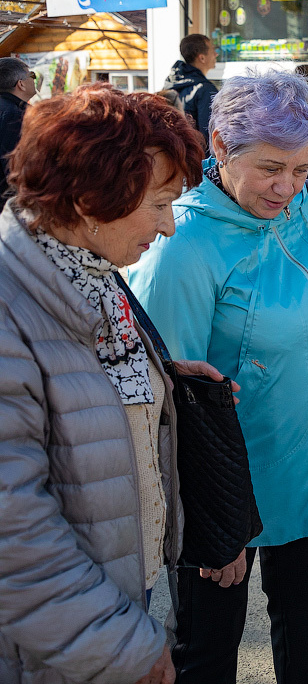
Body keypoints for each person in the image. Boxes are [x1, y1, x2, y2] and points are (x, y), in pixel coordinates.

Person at [128, 71, 308, 684]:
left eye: (303, 169)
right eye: (271, 168)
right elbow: (164, 400)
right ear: (220, 147)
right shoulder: (183, 246)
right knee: (207, 650)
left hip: (306, 468)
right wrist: (207, 516)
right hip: (224, 489)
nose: (288, 186)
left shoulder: (303, 207)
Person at [0, 84, 209, 683]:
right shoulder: (14, 303)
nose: (169, 228)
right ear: (92, 198)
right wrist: (119, 648)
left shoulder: (88, 267)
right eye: (160, 203)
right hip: (59, 640)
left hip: (111, 598)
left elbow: (82, 401)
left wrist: (160, 378)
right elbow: (14, 533)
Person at [163, 34, 219, 150]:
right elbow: (210, 137)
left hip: (175, 155)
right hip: (196, 160)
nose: (216, 54)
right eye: (212, 51)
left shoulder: (170, 84)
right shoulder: (205, 90)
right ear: (202, 58)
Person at [0, 57, 35, 205]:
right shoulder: (14, 116)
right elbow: (15, 167)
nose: (34, 79)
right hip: (7, 206)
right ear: (21, 84)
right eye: (32, 75)